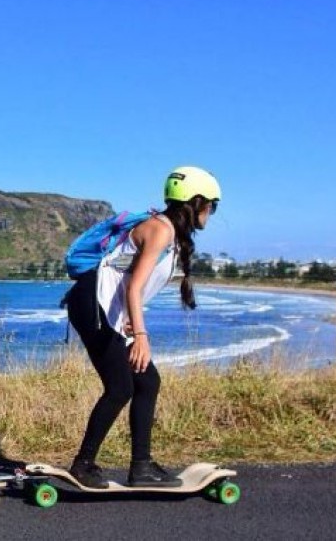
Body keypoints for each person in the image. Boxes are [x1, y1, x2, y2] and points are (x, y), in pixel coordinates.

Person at [65, 166, 221, 488]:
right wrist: (140, 336)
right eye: (211, 205)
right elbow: (134, 287)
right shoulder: (161, 230)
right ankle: (82, 465)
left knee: (147, 381)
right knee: (121, 386)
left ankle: (141, 467)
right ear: (196, 201)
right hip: (92, 304)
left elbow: (127, 282)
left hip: (103, 306)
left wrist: (128, 323)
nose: (212, 212)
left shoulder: (169, 233)